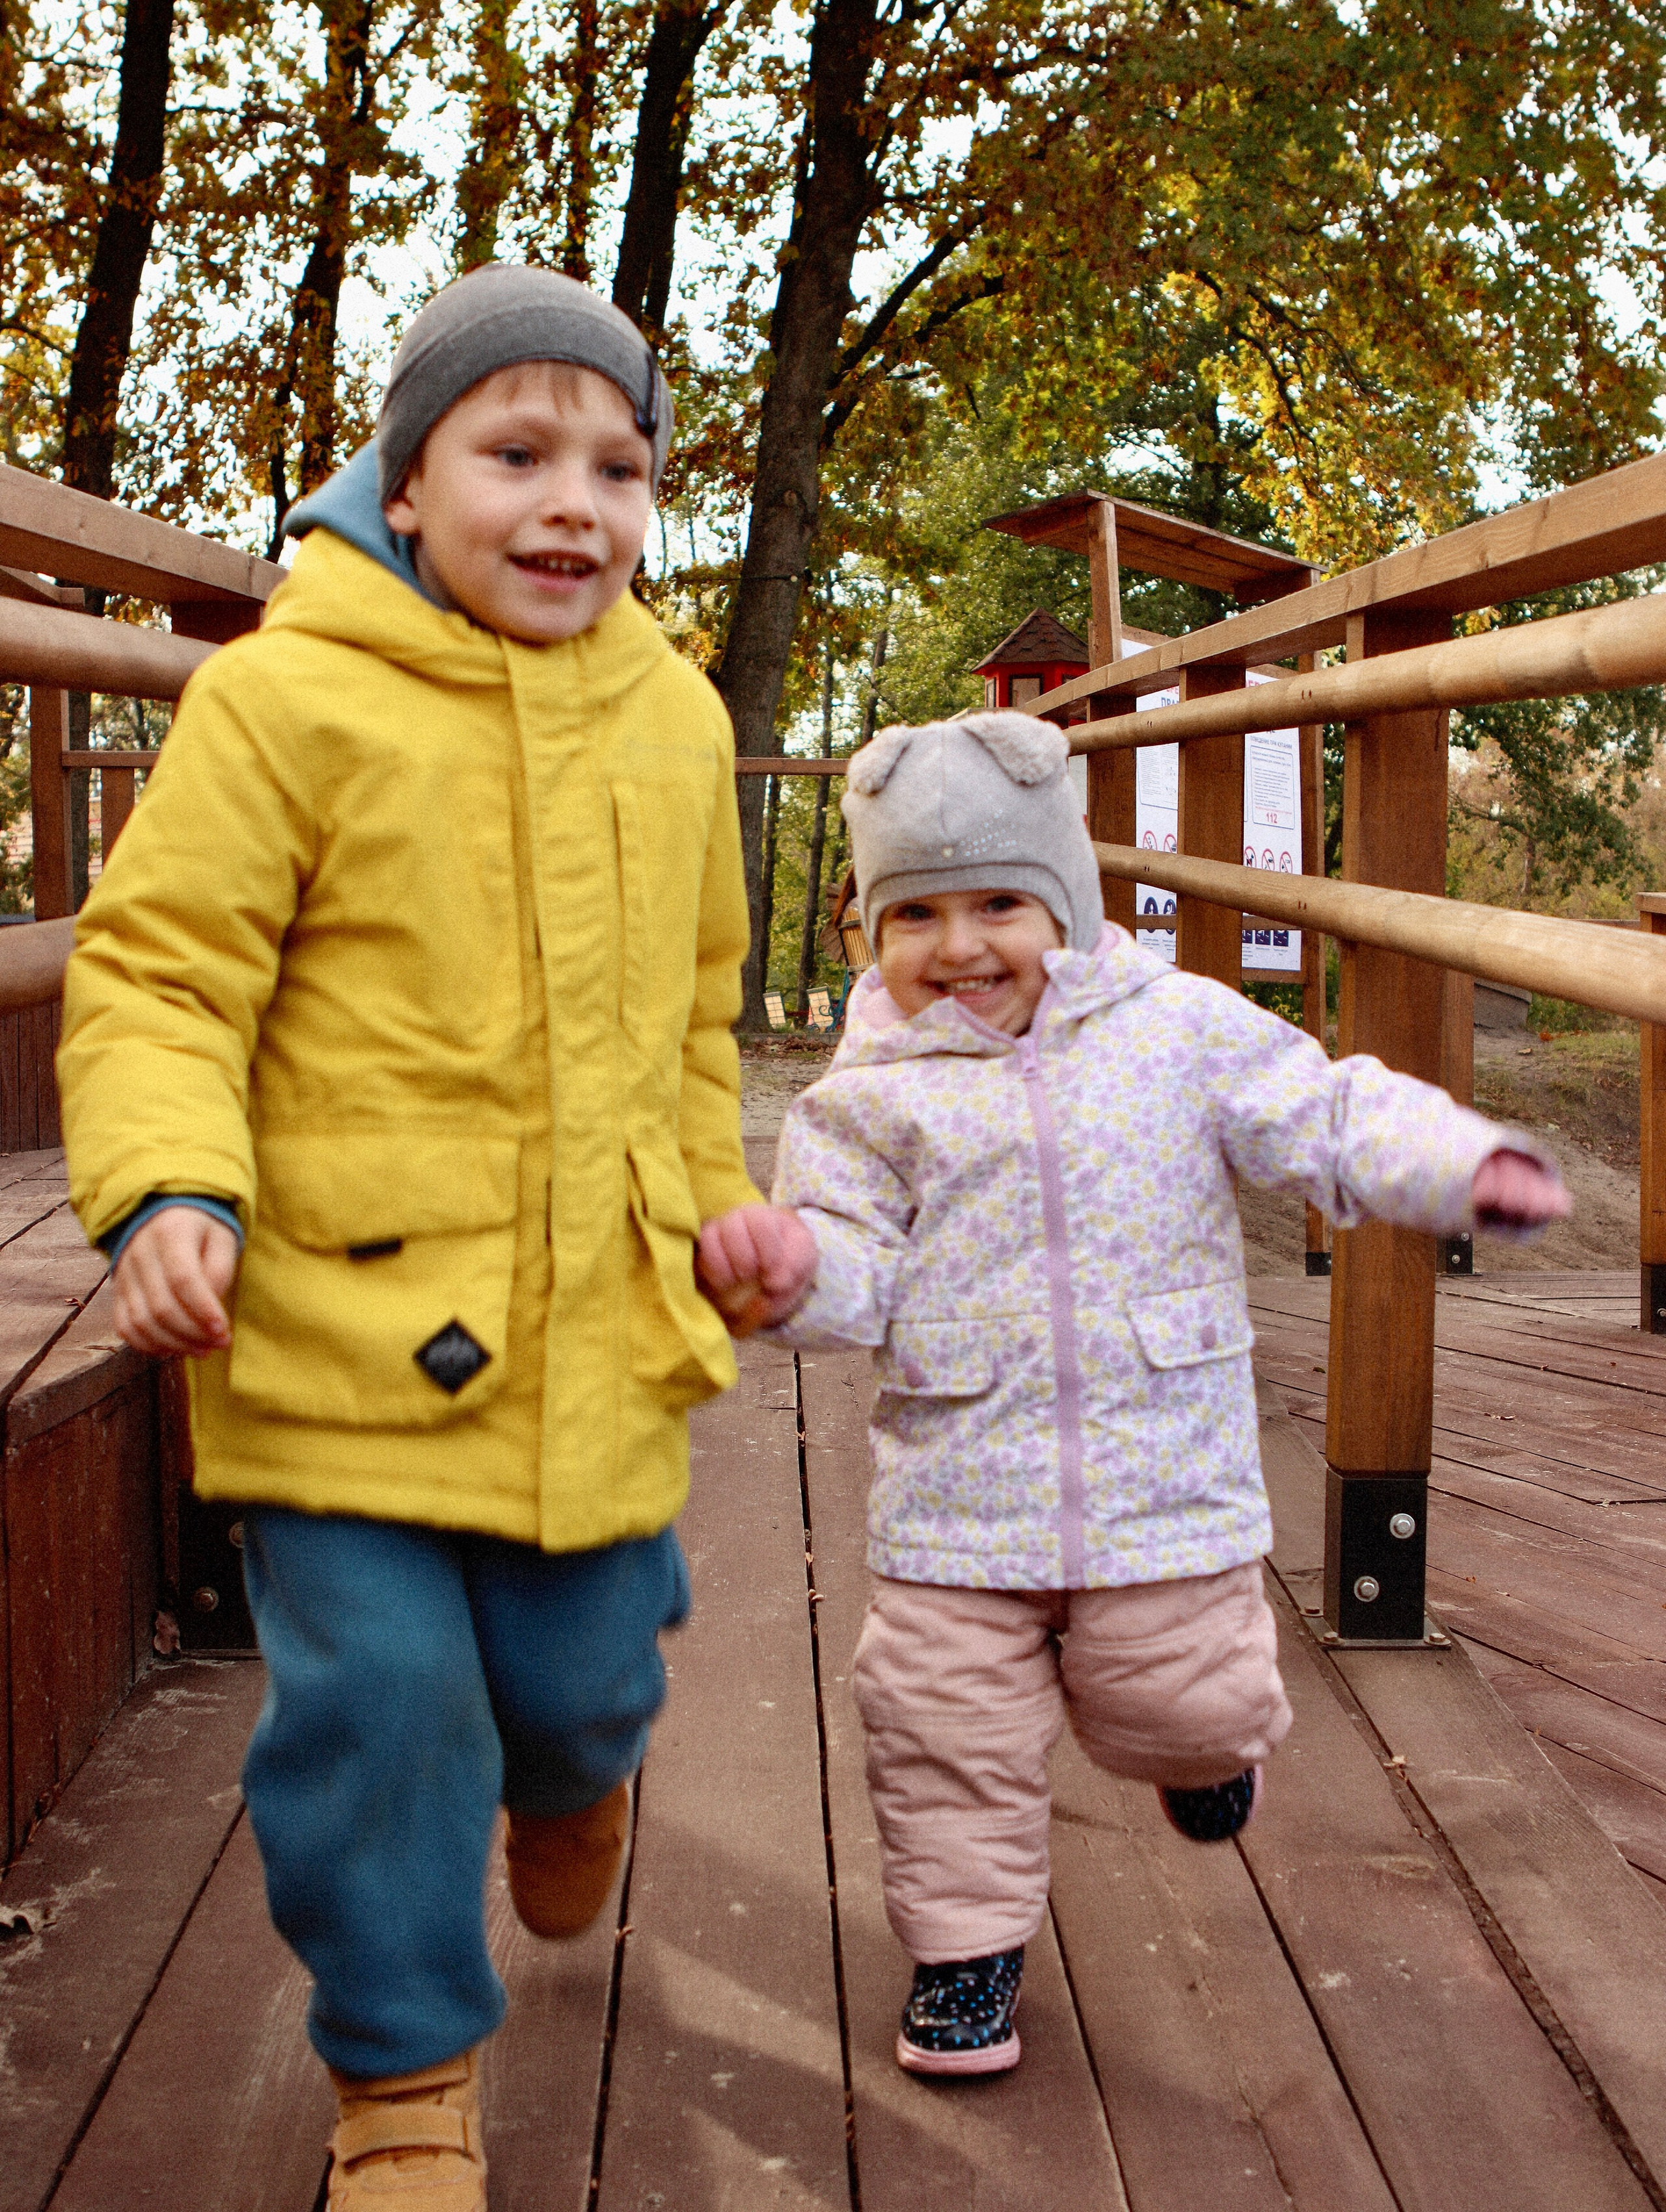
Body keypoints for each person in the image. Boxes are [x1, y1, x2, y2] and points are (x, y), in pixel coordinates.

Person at [57, 264, 769, 2211]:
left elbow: (695, 1018)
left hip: (601, 1334)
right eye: (516, 450)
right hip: (339, 1328)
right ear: (404, 474)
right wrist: (170, 1188)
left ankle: (577, 1776)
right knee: (380, 1712)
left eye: (620, 467)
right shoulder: (285, 699)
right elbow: (162, 981)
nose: (574, 505)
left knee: (583, 1676)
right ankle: (403, 2082)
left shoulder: (677, 722)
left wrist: (718, 1216)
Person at [696, 711, 1569, 2079]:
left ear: (1071, 903)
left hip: (1159, 1471)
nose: (963, 943)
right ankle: (964, 1956)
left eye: (1001, 902)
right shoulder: (858, 1100)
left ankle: (1205, 1751)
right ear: (864, 929)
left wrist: (1457, 1162)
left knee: (1176, 1704)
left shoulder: (1177, 1030)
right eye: (915, 912)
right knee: (937, 1733)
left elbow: (1325, 1112)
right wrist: (788, 1268)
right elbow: (851, 1276)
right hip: (954, 1492)